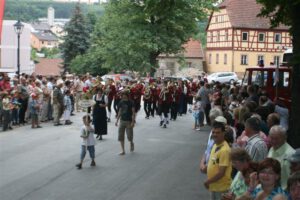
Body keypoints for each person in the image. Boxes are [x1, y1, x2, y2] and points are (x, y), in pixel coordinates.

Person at [204, 121, 232, 200]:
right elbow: (214, 162)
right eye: (213, 132)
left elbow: (221, 173)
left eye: (218, 132)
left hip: (221, 188)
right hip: (215, 186)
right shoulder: (216, 145)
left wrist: (208, 182)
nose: (215, 134)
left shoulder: (224, 150)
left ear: (223, 133)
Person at [115, 91, 135, 155]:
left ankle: (131, 142)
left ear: (127, 95)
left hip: (129, 121)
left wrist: (133, 122)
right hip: (122, 121)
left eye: (124, 95)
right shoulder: (121, 102)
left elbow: (133, 113)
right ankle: (123, 150)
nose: (123, 96)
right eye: (122, 95)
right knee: (121, 136)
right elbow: (120, 111)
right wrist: (117, 120)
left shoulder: (131, 102)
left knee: (129, 136)